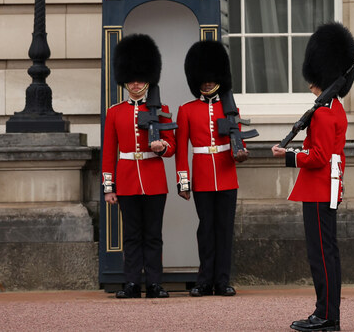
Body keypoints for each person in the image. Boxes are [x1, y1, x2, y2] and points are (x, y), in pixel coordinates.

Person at [272, 22, 354, 332]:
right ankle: (327, 313)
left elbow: (319, 156)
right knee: (327, 254)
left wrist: (290, 155)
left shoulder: (322, 112)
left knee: (320, 256)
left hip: (319, 188)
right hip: (328, 187)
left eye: (313, 79)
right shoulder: (335, 108)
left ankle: (326, 316)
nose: (310, 84)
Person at [102, 34, 176, 299]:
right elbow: (109, 152)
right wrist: (109, 187)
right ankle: (132, 283)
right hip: (127, 179)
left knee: (153, 235)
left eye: (140, 78)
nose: (136, 83)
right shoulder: (116, 112)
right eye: (132, 78)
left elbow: (172, 145)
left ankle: (155, 283)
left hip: (154, 178)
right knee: (132, 236)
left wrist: (162, 147)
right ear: (125, 80)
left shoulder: (162, 108)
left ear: (148, 79)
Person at [175, 40, 248, 297]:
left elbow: (238, 141)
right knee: (206, 230)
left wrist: (240, 152)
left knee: (224, 230)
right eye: (203, 79)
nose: (207, 83)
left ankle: (223, 281)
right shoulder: (186, 110)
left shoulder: (229, 108)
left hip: (227, 176)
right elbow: (181, 150)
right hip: (203, 178)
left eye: (211, 78)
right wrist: (184, 182)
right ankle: (204, 280)